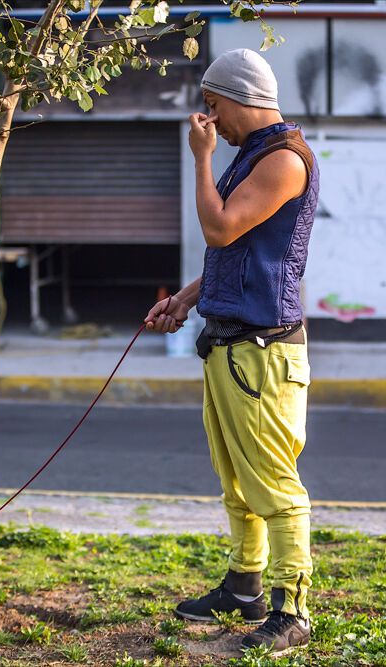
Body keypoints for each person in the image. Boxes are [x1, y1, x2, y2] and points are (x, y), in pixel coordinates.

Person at [145, 48, 320, 653]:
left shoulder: (283, 162)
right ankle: (245, 586)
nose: (208, 117)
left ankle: (293, 610)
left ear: (237, 98)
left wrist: (198, 160)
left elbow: (218, 227)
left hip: (262, 351)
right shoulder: (253, 156)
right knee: (236, 480)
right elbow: (233, 249)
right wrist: (189, 298)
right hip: (229, 343)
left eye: (212, 104)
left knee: (273, 483)